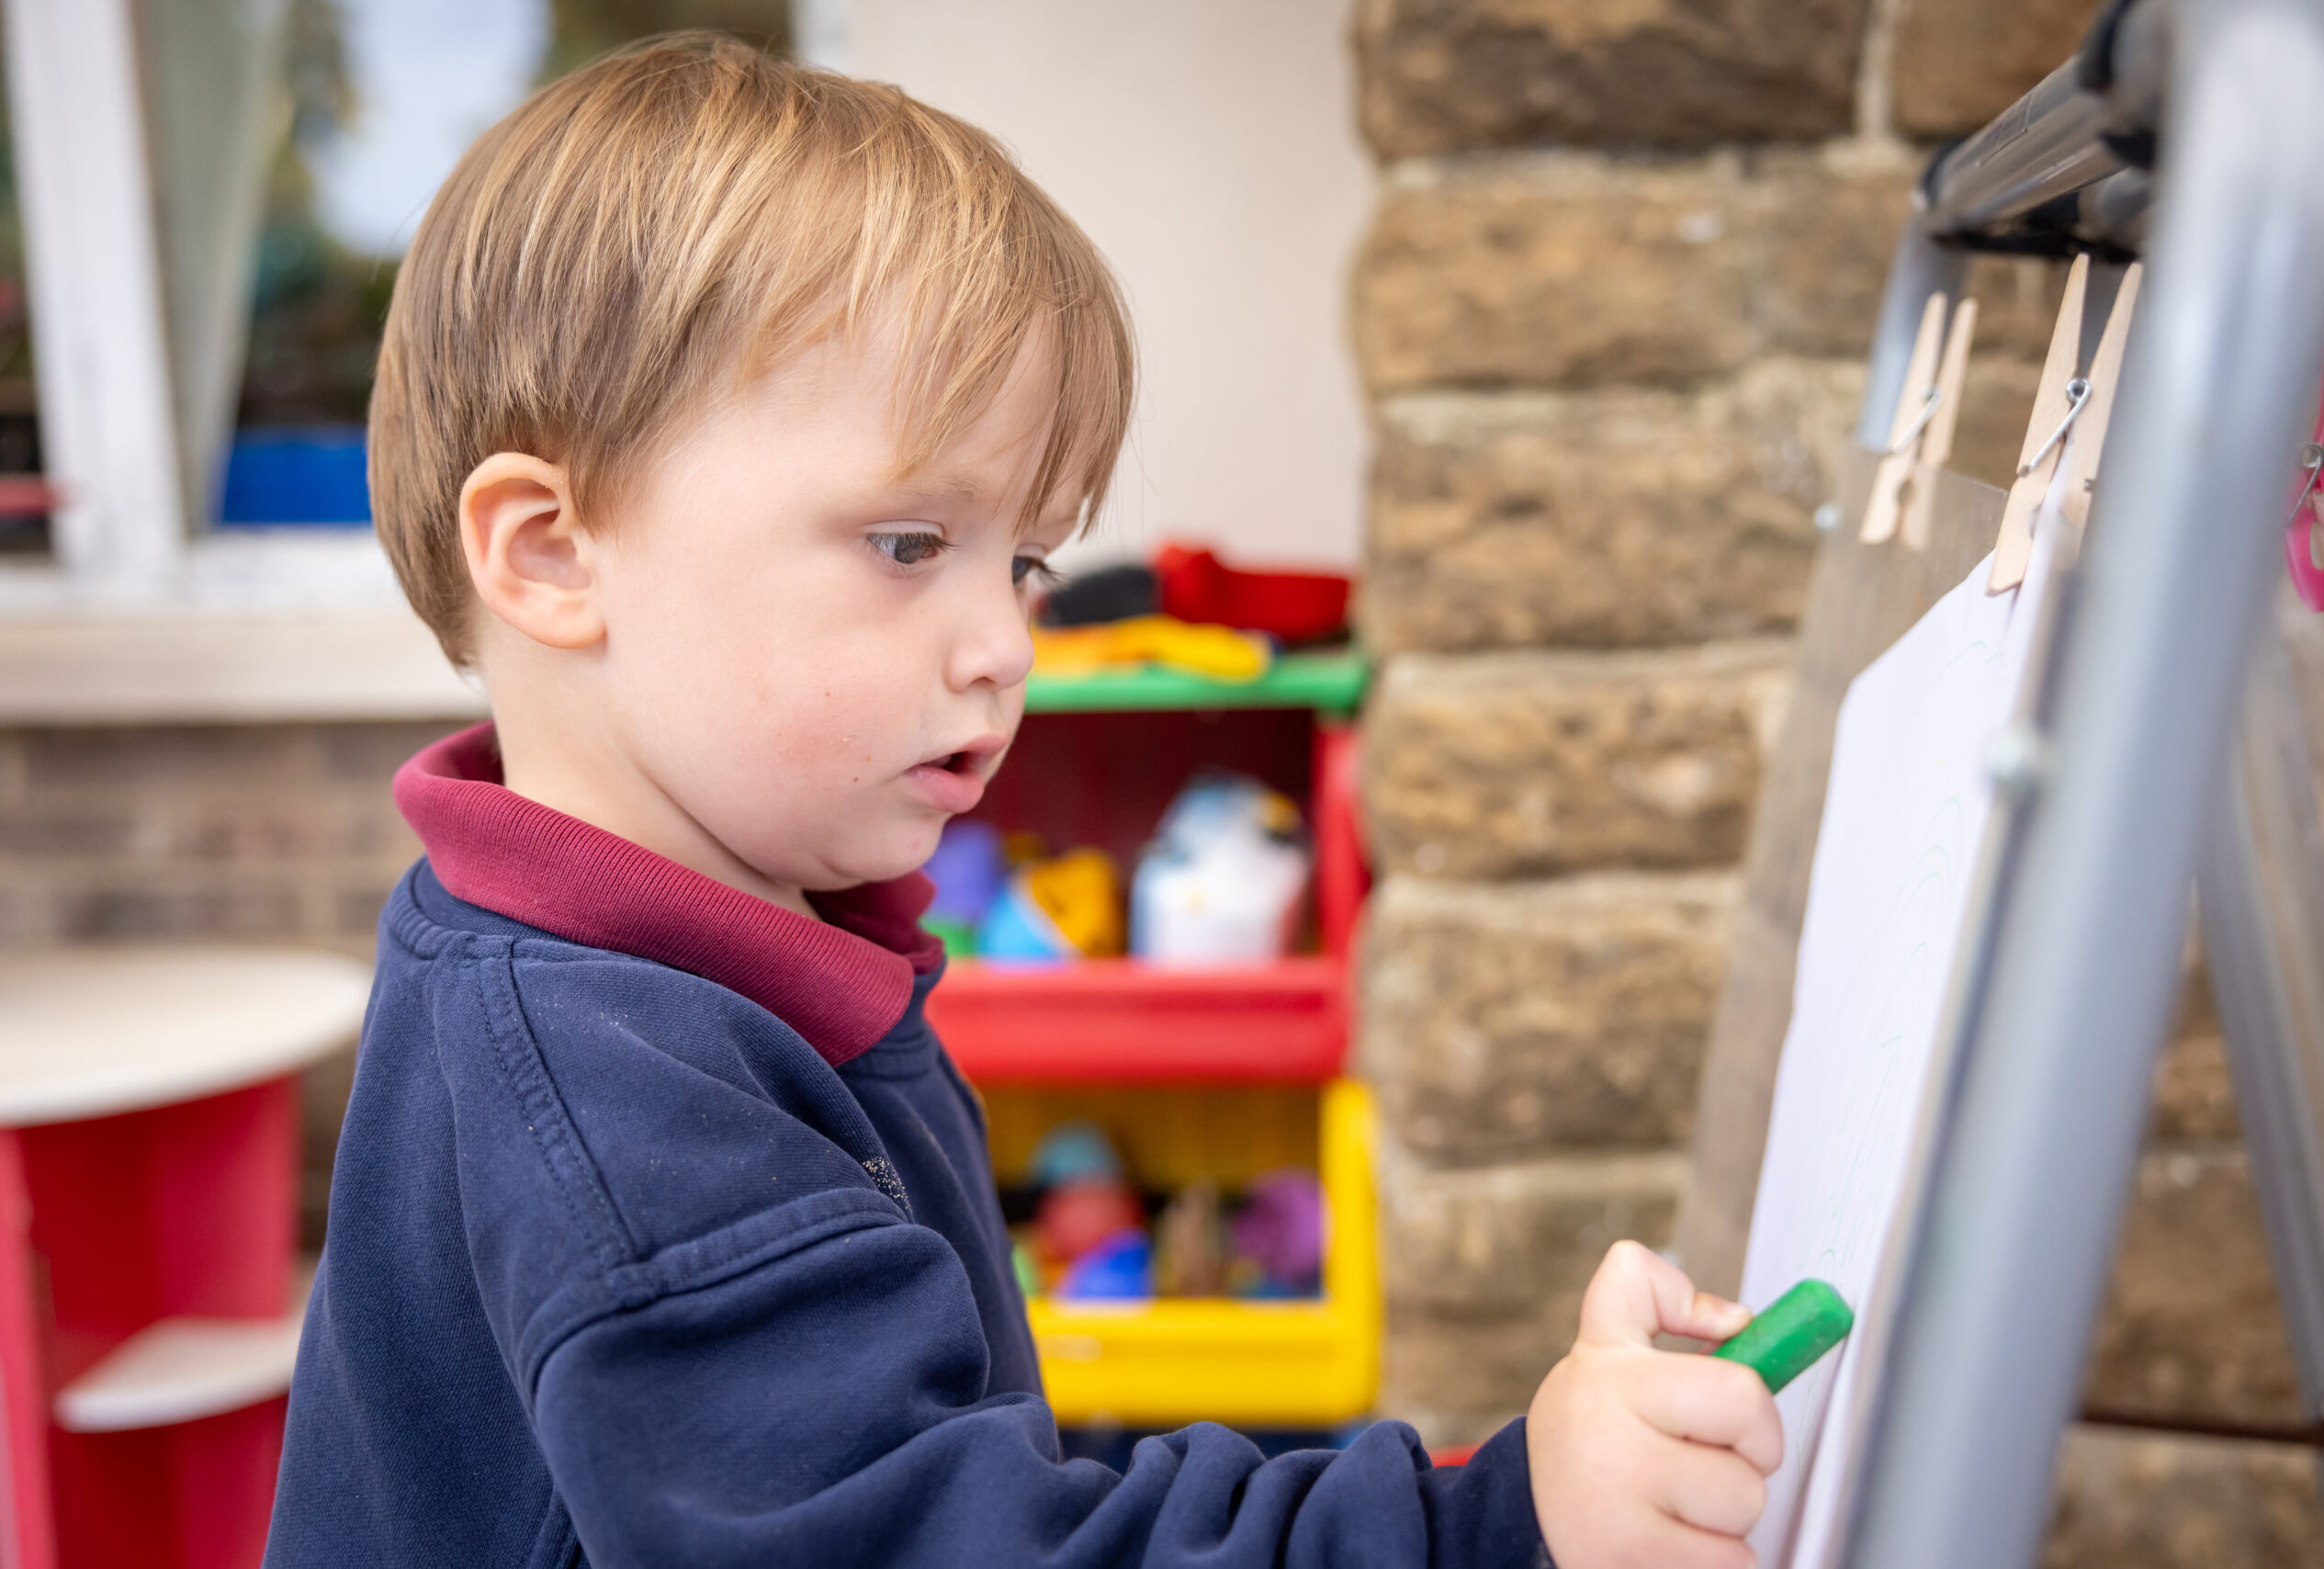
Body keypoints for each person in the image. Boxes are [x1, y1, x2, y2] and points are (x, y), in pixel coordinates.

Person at [265, 34, 1781, 1569]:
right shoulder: (622, 1103)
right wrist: (1493, 1526)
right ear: (551, 552)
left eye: (1027, 561)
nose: (1006, 644)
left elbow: (953, 1457)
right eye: (911, 545)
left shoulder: (682, 961)